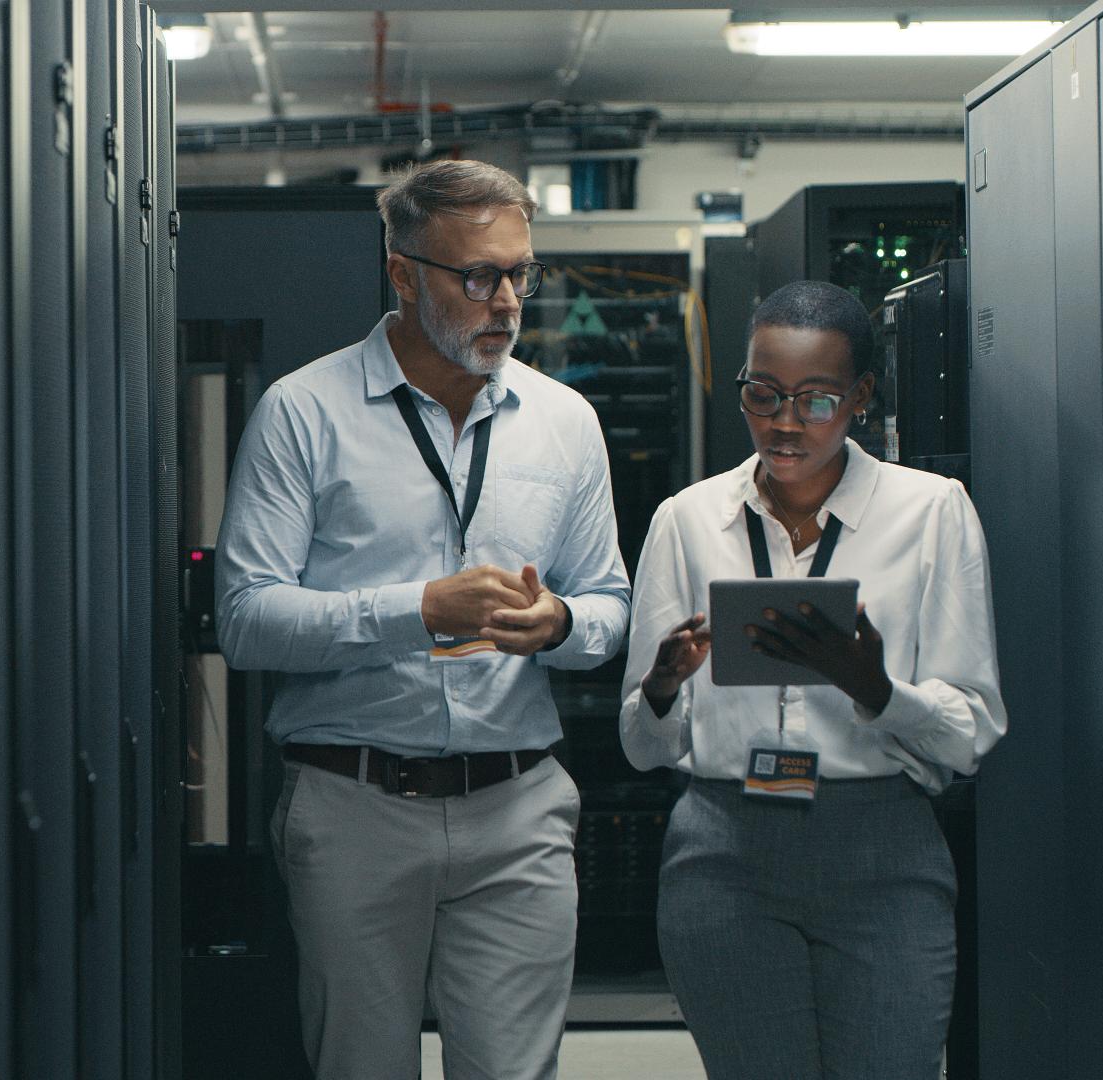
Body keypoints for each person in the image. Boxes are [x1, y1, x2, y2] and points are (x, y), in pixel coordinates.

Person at [216, 160, 630, 1080]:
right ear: (402, 273)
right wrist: (417, 612)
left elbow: (610, 606)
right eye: (477, 276)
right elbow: (245, 619)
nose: (508, 301)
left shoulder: (566, 422)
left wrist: (559, 624)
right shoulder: (305, 412)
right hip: (355, 805)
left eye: (522, 273)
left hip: (518, 808)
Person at [618, 280, 1006, 1079]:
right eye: (763, 394)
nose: (785, 422)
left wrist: (875, 687)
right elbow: (642, 747)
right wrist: (660, 688)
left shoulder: (933, 512)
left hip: (881, 852)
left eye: (816, 399)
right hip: (724, 850)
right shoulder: (688, 520)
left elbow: (970, 735)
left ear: (862, 396)